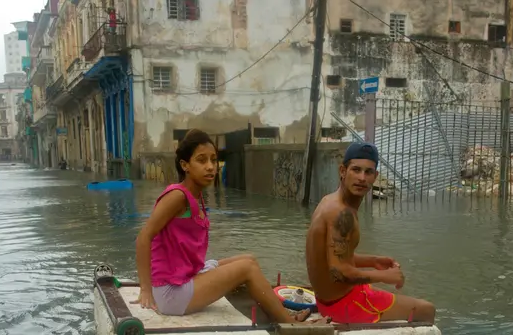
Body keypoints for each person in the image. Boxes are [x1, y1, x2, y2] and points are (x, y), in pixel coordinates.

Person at [131, 129, 319, 324]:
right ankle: (290, 324)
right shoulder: (178, 197)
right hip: (170, 292)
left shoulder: (196, 196)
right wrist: (146, 290)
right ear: (185, 165)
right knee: (247, 268)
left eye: (213, 160)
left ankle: (268, 311)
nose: (211, 167)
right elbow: (144, 237)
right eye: (202, 160)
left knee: (249, 259)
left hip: (185, 276)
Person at [305, 142, 436, 324]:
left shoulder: (329, 201)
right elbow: (339, 272)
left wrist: (373, 261)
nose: (362, 178)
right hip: (343, 306)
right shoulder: (342, 214)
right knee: (426, 310)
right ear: (342, 171)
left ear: (375, 177)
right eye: (356, 170)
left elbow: (334, 256)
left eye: (368, 172)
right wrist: (386, 277)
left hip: (330, 300)